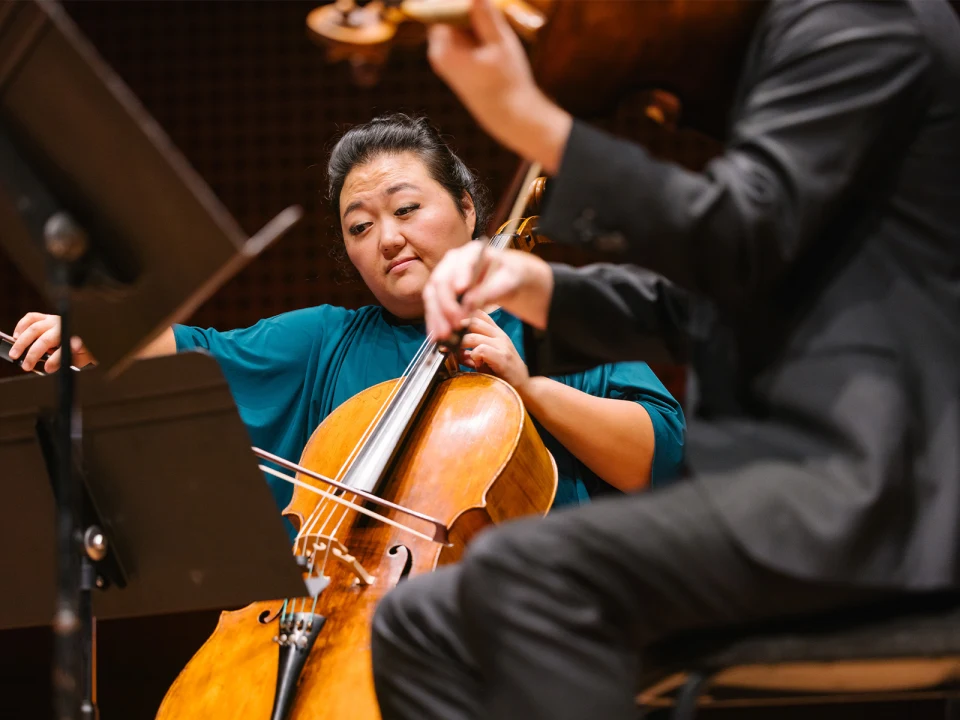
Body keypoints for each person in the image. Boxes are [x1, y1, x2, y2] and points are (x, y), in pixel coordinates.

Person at [368, 1, 960, 719]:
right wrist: (540, 287)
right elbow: (717, 296)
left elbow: (739, 234)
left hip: (886, 492)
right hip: (807, 483)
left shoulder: (861, 20)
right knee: (415, 621)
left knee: (523, 576)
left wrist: (532, 122)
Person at [8, 113, 685, 536]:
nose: (386, 239)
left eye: (407, 208)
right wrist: (97, 336)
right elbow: (197, 354)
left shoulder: (558, 321)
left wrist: (529, 386)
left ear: (470, 211)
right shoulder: (326, 342)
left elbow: (662, 460)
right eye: (360, 227)